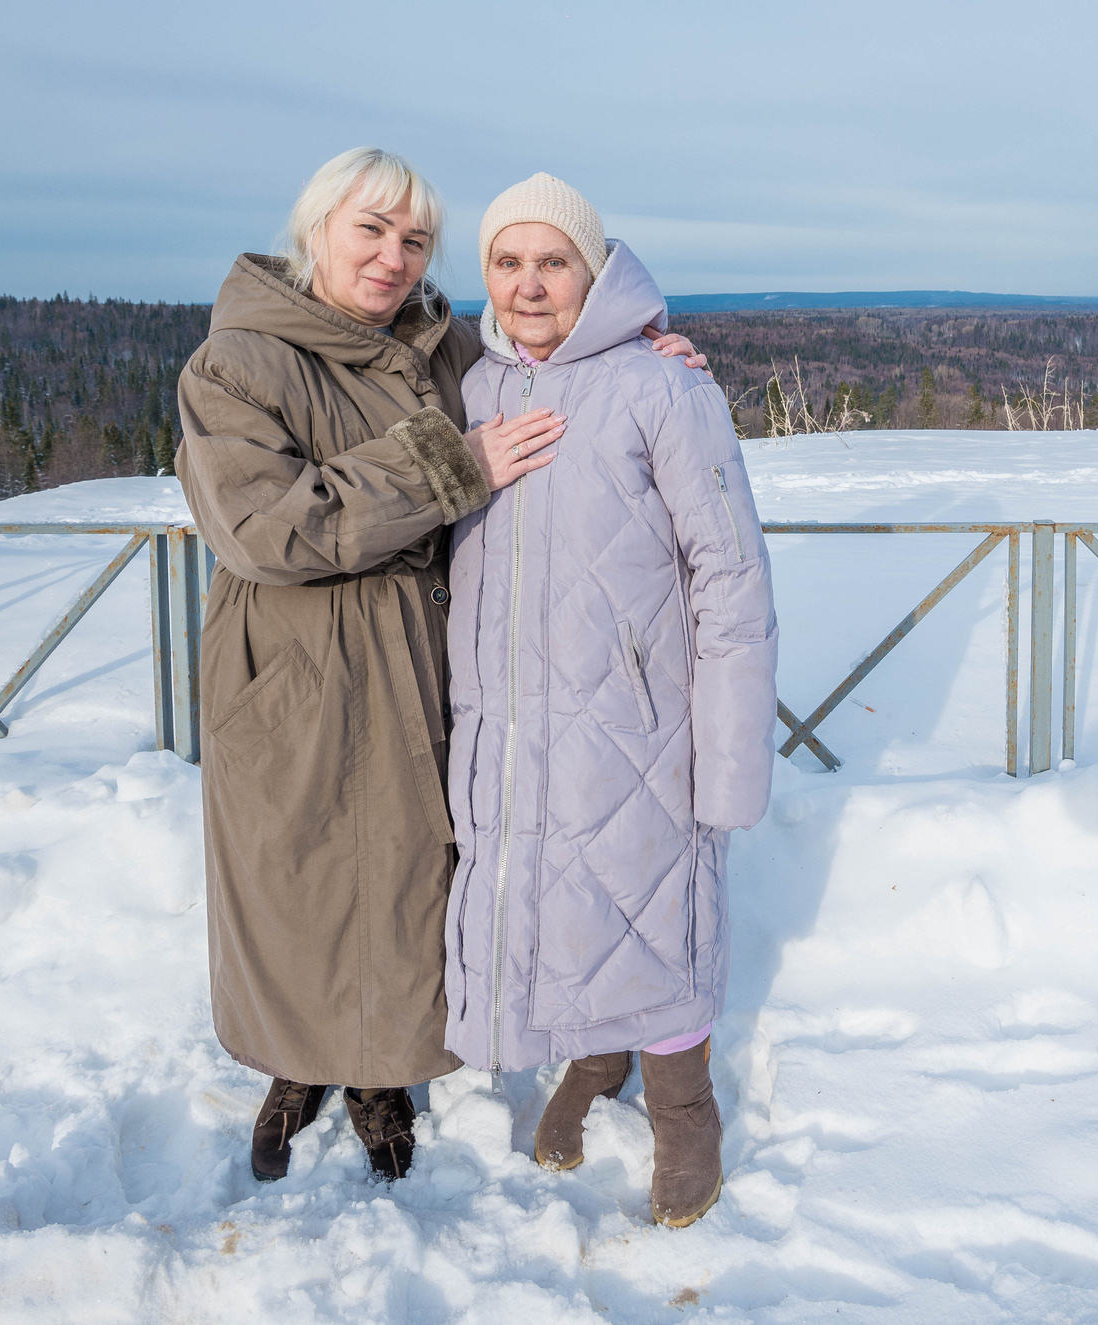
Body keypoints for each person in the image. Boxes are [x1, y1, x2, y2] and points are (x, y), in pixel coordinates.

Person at [174, 148, 706, 1185]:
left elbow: (550, 358)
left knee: (409, 864)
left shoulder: (440, 344)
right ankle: (297, 1058)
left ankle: (378, 1068)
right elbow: (261, 526)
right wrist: (447, 465)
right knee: (296, 867)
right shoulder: (236, 361)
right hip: (292, 659)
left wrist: (643, 346)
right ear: (316, 227)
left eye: (413, 240)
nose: (391, 257)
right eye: (369, 230)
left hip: (418, 646)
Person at [443, 173, 777, 1229]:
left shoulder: (664, 388)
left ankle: (686, 1111)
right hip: (504, 717)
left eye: (554, 261)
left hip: (640, 720)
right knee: (556, 897)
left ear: (594, 271)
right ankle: (594, 1052)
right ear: (485, 275)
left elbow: (729, 576)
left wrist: (726, 758)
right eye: (508, 261)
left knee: (654, 912)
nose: (530, 283)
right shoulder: (471, 388)